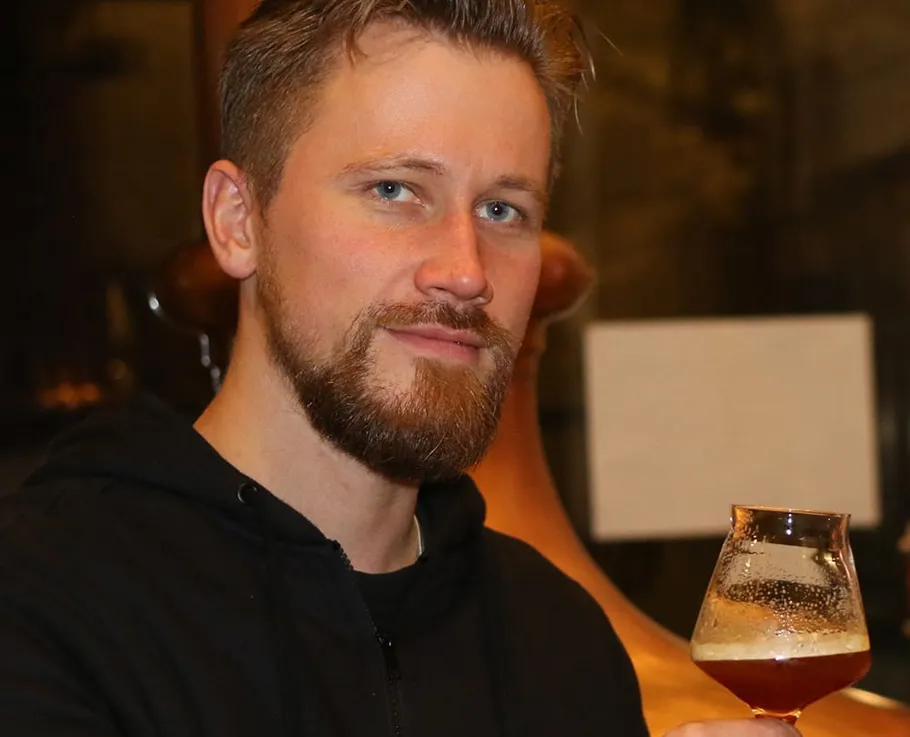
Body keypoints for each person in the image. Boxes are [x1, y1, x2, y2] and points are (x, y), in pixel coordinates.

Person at [0, 1, 799, 735]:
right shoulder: (46, 604)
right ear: (238, 222)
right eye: (395, 189)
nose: (465, 268)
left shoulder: (557, 638)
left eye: (503, 210)